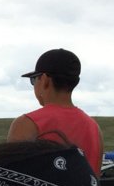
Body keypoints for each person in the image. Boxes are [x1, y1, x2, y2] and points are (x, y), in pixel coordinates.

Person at [8, 48, 104, 176]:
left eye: (33, 80)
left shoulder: (27, 124)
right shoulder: (94, 128)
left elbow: (12, 179)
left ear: (44, 79)